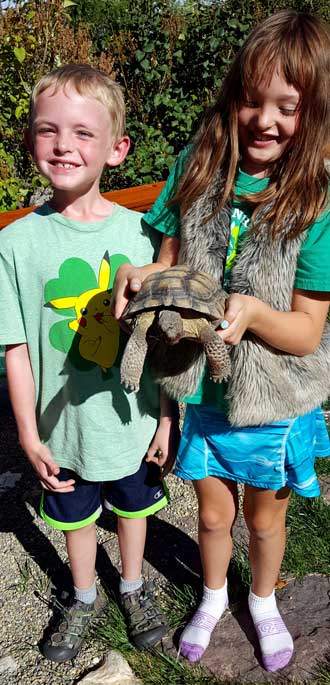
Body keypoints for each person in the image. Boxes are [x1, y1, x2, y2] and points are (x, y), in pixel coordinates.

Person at [111, 10, 330, 672]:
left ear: (312, 113)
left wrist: (255, 314)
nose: (265, 119)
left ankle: (261, 598)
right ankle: (212, 593)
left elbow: (307, 328)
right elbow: (169, 258)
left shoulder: (314, 202)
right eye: (252, 99)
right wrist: (141, 274)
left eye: (286, 107)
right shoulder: (196, 163)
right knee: (211, 513)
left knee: (262, 520)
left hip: (273, 398)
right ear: (233, 93)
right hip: (201, 387)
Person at [0, 64, 179, 663]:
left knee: (133, 506)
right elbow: (17, 348)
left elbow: (166, 339)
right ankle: (82, 595)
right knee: (75, 514)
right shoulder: (15, 244)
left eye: (83, 132)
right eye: (48, 130)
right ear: (30, 142)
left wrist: (166, 417)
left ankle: (132, 585)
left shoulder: (144, 238)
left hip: (132, 418)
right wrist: (28, 432)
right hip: (63, 430)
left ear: (116, 149)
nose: (64, 145)